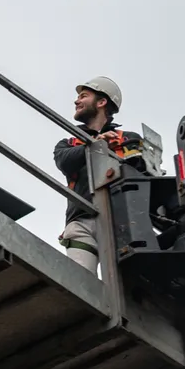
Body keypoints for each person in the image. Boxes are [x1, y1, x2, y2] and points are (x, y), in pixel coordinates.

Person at [53, 76, 146, 272]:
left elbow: (141, 173)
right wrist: (95, 145)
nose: (76, 101)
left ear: (102, 102)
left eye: (83, 96)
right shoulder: (69, 144)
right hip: (81, 222)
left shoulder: (128, 139)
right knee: (81, 283)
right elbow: (64, 162)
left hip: (123, 222)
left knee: (126, 290)